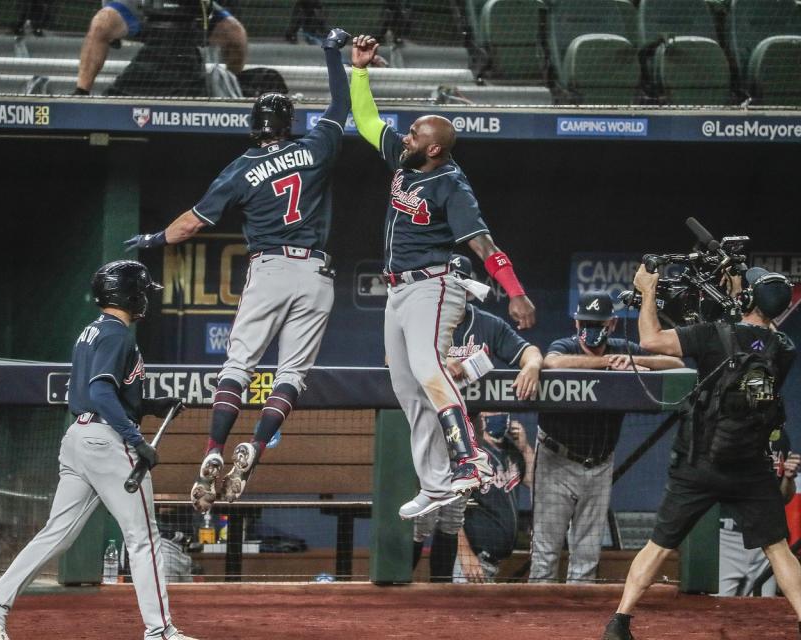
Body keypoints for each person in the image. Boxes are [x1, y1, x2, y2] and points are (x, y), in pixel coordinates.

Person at [122, 29, 352, 512]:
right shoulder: (316, 147)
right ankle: (258, 446)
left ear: (255, 125)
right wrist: (333, 52)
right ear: (287, 123)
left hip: (268, 269)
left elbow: (189, 225)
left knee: (238, 366)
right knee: (290, 375)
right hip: (316, 275)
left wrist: (153, 239)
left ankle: (213, 450)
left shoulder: (241, 168)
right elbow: (341, 104)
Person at [351, 34, 537, 521]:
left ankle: (469, 459)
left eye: (413, 134)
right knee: (409, 390)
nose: (404, 137)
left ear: (433, 147)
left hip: (433, 284)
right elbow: (368, 121)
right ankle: (435, 484)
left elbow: (484, 245)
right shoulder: (405, 160)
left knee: (430, 371)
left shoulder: (451, 184)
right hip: (399, 290)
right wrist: (360, 71)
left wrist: (514, 293)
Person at [0, 260, 196, 640]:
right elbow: (102, 392)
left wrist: (148, 405)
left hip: (78, 439)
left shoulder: (90, 332)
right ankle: (161, 632)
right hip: (106, 442)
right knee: (144, 538)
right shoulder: (119, 335)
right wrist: (136, 439)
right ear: (130, 294)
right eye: (142, 291)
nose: (145, 298)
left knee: (56, 533)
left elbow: (98, 391)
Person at [603, 265, 801, 640]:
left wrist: (647, 291)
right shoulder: (784, 349)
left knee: (659, 545)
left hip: (699, 461)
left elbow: (651, 340)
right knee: (778, 549)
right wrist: (744, 293)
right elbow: (761, 335)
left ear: (745, 298)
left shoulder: (713, 334)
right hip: (750, 467)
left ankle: (620, 621)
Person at [530, 290, 684, 584]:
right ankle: (535, 627)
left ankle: (579, 626)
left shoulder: (621, 347)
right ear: (576, 324)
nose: (591, 329)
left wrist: (637, 362)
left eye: (598, 323)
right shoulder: (566, 345)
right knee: (545, 556)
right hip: (556, 460)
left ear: (611, 324)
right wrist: (607, 365)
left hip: (599, 463)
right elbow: (553, 363)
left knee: (587, 559)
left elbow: (676, 363)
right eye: (585, 322)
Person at [411, 255, 542, 580]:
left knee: (448, 521)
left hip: (466, 438)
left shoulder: (487, 325)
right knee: (419, 525)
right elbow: (391, 365)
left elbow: (530, 351)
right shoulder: (419, 322)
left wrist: (533, 365)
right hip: (426, 433)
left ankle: (440, 590)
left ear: (468, 291)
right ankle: (394, 587)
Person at [74, 0, 247, 96]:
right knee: (101, 24)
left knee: (236, 34)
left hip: (192, 7)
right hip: (140, 4)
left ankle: (235, 89)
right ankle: (81, 91)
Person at [718, 428, 799, 596]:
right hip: (729, 537)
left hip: (767, 538)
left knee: (764, 607)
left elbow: (783, 498)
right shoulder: (731, 429)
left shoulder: (779, 435)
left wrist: (788, 478)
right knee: (719, 605)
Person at [456, 414, 535, 582]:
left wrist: (524, 447)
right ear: (481, 416)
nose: (499, 414)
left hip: (493, 564)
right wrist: (466, 555)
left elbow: (534, 481)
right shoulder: (471, 454)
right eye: (492, 410)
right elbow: (450, 508)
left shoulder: (510, 449)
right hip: (472, 562)